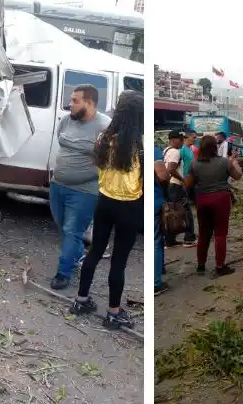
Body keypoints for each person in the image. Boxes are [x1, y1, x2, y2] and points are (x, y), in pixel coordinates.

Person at [70, 91, 143, 329]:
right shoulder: (139, 143)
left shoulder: (104, 137)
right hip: (129, 207)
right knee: (119, 262)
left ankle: (81, 300)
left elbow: (98, 165)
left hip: (104, 202)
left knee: (95, 252)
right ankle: (113, 314)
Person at [49, 84, 111, 290]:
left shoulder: (105, 127)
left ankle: (63, 273)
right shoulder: (66, 121)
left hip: (85, 191)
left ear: (90, 103)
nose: (70, 105)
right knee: (62, 227)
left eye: (75, 101)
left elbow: (109, 162)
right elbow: (61, 141)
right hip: (58, 185)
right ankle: (77, 256)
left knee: (72, 230)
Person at [185, 134, 243, 277]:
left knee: (204, 234)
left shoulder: (194, 163)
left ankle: (200, 265)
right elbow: (237, 176)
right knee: (220, 234)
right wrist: (234, 163)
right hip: (221, 199)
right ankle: (219, 266)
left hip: (202, 199)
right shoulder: (224, 162)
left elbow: (188, 184)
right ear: (215, 147)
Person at [163, 130, 195, 247]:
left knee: (171, 212)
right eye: (180, 139)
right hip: (175, 186)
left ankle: (170, 240)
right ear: (173, 140)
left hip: (170, 186)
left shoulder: (166, 150)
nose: (182, 141)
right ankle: (189, 239)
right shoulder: (175, 152)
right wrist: (182, 180)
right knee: (186, 212)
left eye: (183, 139)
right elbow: (171, 169)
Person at [154, 146, 171, 295]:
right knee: (155, 242)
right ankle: (155, 283)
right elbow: (163, 176)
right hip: (153, 201)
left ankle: (159, 269)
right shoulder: (152, 150)